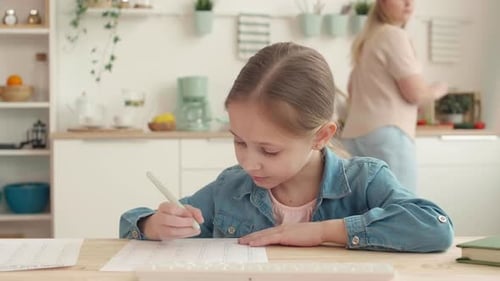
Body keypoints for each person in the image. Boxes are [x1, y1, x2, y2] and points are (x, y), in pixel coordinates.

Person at [120, 42, 453, 252]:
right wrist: (153, 225)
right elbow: (129, 223)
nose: (249, 163)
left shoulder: (365, 181)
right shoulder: (230, 188)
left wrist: (323, 232)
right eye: (239, 141)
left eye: (269, 150)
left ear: (321, 136)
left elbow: (434, 227)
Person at [340, 0, 448, 193]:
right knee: (401, 208)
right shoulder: (393, 35)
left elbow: (351, 91)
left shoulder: (366, 41)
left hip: (354, 136)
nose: (408, 3)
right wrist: (438, 89)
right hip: (388, 135)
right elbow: (415, 93)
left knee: (363, 209)